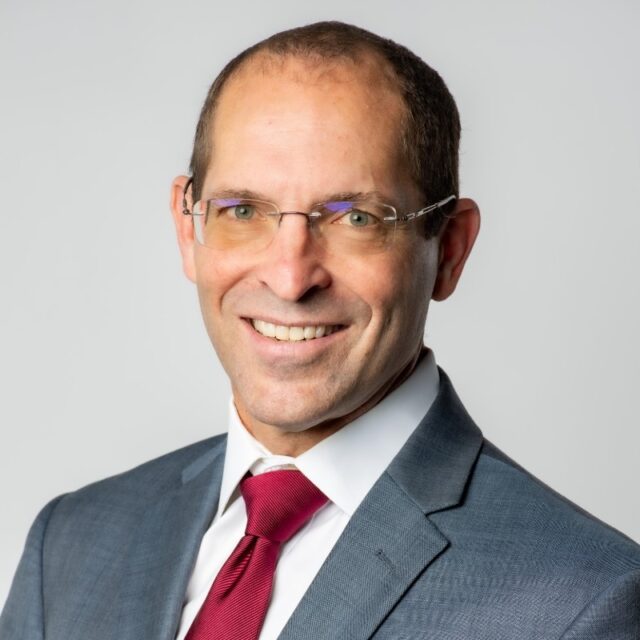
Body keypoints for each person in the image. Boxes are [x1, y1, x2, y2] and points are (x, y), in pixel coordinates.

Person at [1, 20, 639, 640]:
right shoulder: (70, 546)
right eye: (242, 210)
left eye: (356, 218)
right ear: (186, 228)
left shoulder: (585, 605)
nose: (289, 278)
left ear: (450, 250)